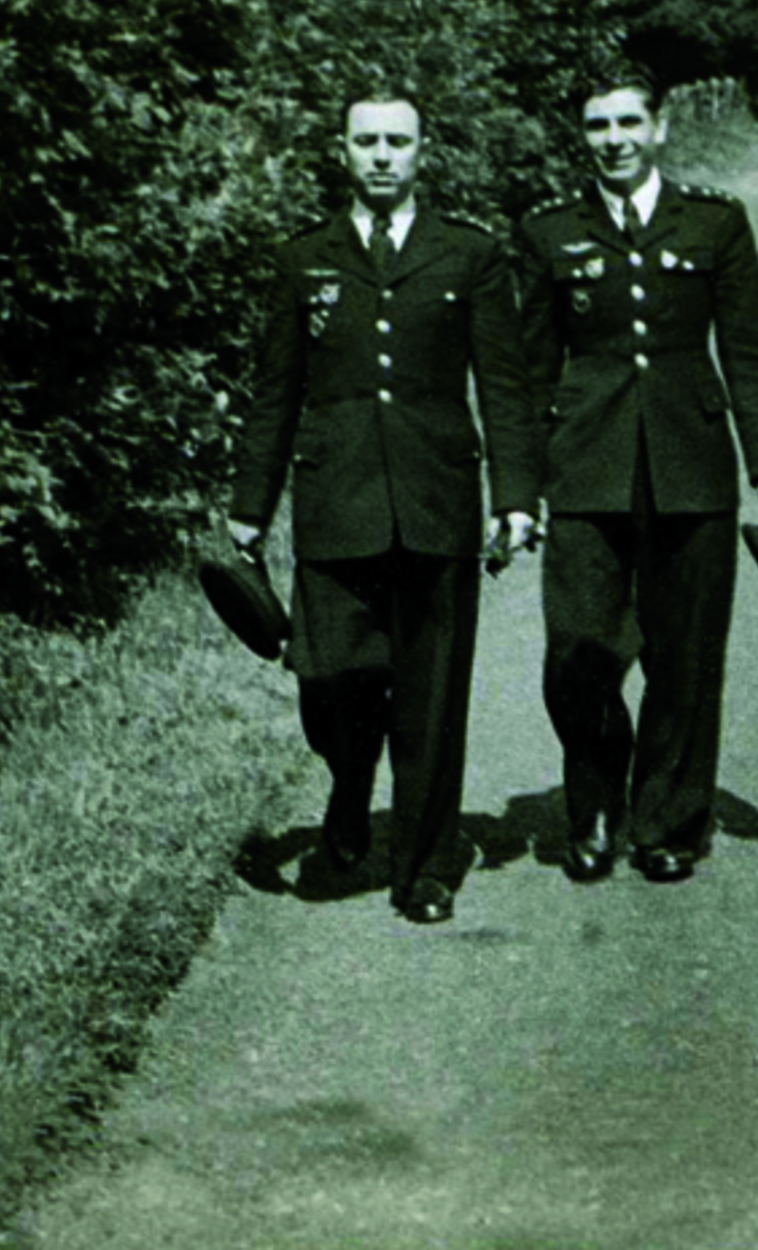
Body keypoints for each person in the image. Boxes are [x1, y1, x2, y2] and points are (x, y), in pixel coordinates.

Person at [228, 92, 540, 925]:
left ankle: (426, 866)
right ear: (342, 150)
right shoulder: (304, 259)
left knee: (433, 693)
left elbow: (504, 388)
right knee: (329, 676)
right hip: (336, 500)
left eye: (397, 141)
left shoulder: (470, 254)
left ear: (422, 152)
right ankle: (350, 776)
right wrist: (250, 506)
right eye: (365, 140)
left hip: (439, 500)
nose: (381, 155)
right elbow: (275, 392)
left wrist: (516, 497)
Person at [514, 76, 758, 885]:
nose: (614, 139)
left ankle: (668, 819)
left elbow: (747, 354)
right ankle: (596, 801)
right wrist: (519, 490)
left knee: (686, 655)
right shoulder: (547, 230)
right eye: (597, 125)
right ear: (582, 135)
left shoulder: (715, 222)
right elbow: (529, 373)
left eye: (629, 122)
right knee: (578, 650)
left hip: (692, 462)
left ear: (660, 128)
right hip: (586, 465)